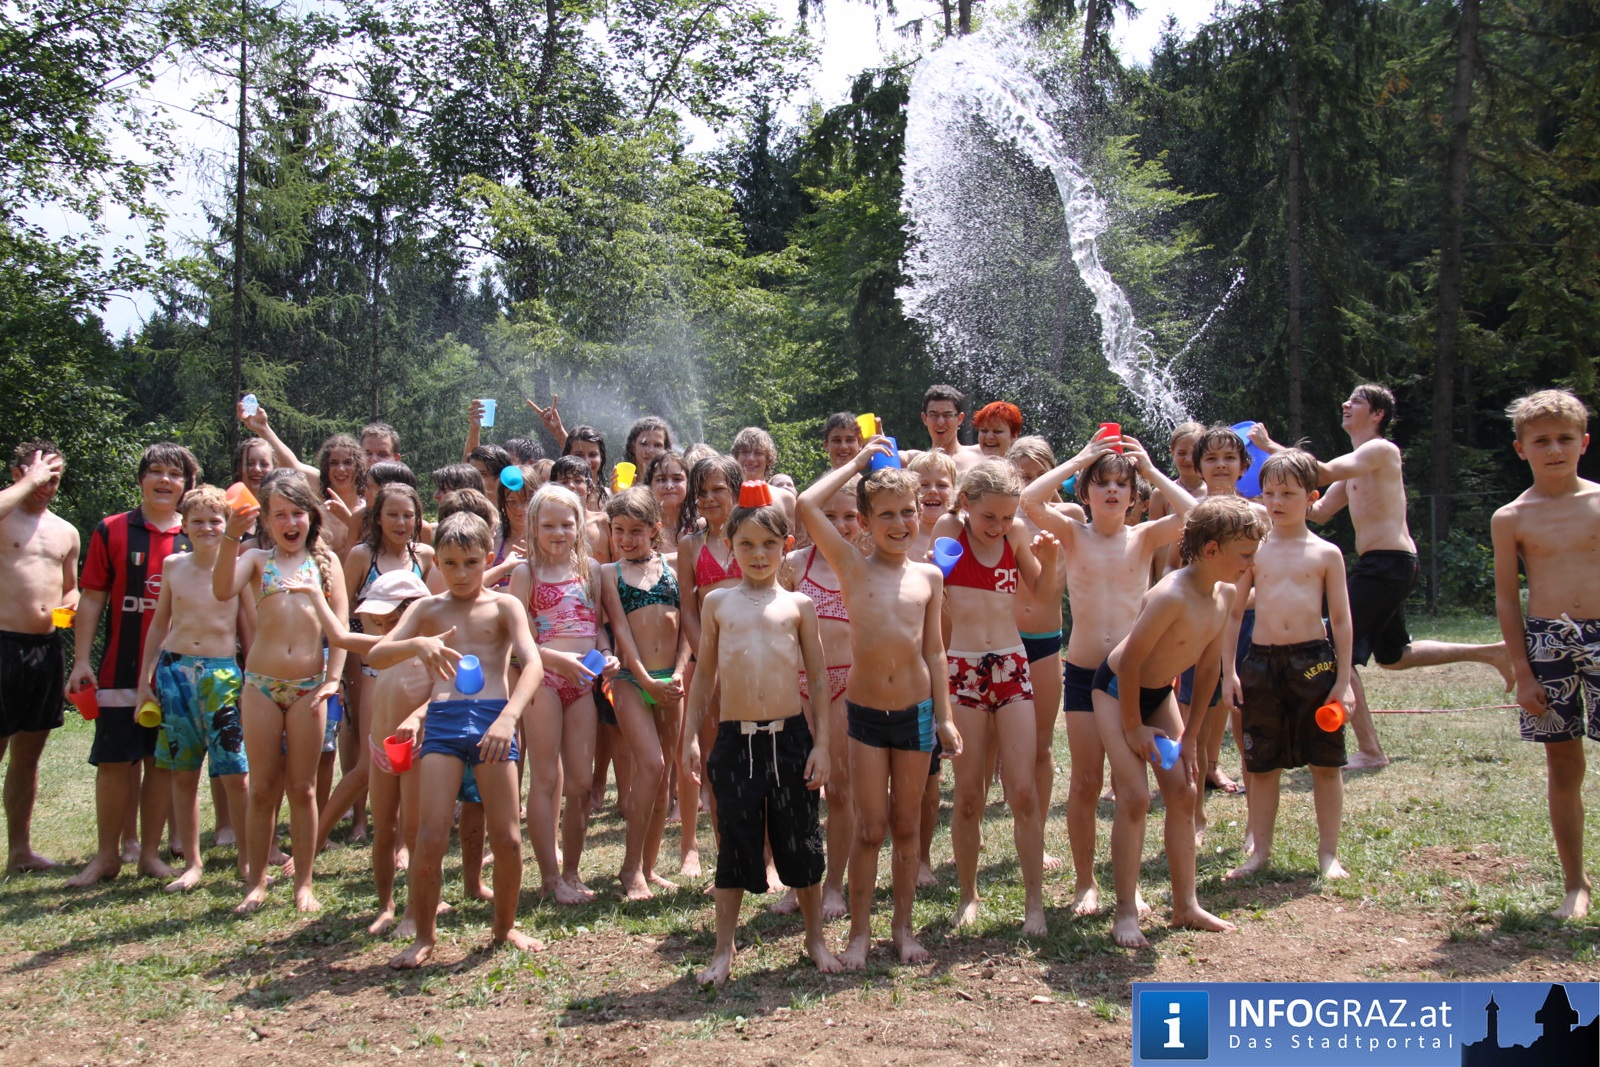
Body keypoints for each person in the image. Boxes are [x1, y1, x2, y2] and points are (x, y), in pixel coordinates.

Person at [1253, 384, 1512, 769]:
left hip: (1387, 563)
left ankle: (1371, 751)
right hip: (1386, 565)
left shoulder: (1381, 450)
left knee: (1334, 649)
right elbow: (1318, 510)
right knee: (1393, 656)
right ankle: (1492, 652)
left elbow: (1319, 473)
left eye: (1356, 400)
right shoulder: (1356, 464)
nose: (1345, 403)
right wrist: (1265, 503)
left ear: (1377, 414)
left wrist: (1270, 447)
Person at [801, 441, 963, 967]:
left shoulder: (930, 577)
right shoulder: (851, 565)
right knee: (871, 829)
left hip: (916, 715)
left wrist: (944, 718)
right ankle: (860, 934)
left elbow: (934, 651)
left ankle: (903, 930)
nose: (899, 523)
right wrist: (855, 464)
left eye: (907, 512)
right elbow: (806, 505)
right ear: (866, 522)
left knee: (907, 825)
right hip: (866, 717)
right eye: (886, 514)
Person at [1021, 428, 1196, 916]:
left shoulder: (1144, 537)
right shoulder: (1073, 534)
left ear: (1135, 497)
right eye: (1102, 484)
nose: (1113, 491)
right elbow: (1029, 498)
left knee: (1142, 786)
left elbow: (1195, 516)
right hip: (1082, 673)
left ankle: (1129, 883)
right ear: (1086, 492)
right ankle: (1085, 882)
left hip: (1134, 676)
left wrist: (1152, 470)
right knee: (1085, 782)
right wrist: (1081, 459)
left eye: (1122, 484)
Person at [368, 511, 546, 968]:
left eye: (470, 563)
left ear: (487, 558)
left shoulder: (505, 606)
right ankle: (424, 936)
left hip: (493, 721)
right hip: (444, 722)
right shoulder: (427, 609)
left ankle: (505, 927)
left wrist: (509, 717)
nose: (461, 574)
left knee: (507, 838)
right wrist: (417, 644)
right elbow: (377, 653)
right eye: (450, 564)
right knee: (429, 837)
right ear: (438, 563)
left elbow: (533, 664)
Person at [681, 485, 841, 986]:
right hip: (736, 742)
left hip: (790, 739)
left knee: (802, 842)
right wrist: (690, 737)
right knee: (734, 843)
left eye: (769, 544)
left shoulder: (798, 605)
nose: (757, 554)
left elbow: (818, 679)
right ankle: (722, 951)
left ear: (785, 546)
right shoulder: (718, 604)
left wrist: (822, 744)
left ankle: (815, 940)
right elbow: (704, 677)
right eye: (746, 544)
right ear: (730, 546)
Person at [1094, 495, 1266, 948]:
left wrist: (1191, 738)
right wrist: (1133, 728)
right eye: (1245, 554)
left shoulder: (1225, 593)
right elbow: (1129, 664)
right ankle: (1126, 912)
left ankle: (1185, 905)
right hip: (1115, 692)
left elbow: (1207, 669)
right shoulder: (1171, 595)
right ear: (1211, 550)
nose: (1251, 564)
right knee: (1134, 797)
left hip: (1157, 696)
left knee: (1185, 791)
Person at [930, 460, 1057, 936]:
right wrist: (931, 571)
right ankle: (968, 895)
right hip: (962, 667)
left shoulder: (1016, 535)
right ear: (966, 503)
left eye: (1007, 517)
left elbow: (1043, 594)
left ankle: (1034, 903)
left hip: (1010, 664)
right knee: (968, 796)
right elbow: (929, 589)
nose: (998, 526)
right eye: (989, 517)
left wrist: (1051, 560)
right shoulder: (949, 530)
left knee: (1022, 790)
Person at [213, 469, 348, 912]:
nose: (290, 523)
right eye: (279, 515)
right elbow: (221, 590)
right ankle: (256, 882)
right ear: (266, 522)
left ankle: (304, 883)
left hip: (309, 688)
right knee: (262, 788)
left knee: (303, 789)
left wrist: (333, 679)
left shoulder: (327, 564)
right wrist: (230, 537)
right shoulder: (256, 560)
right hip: (261, 686)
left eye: (297, 513)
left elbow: (341, 632)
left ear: (311, 516)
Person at [68, 442, 200, 887]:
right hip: (119, 668)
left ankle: (150, 855)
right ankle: (106, 857)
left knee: (160, 761)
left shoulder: (198, 533)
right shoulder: (111, 530)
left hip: (176, 670)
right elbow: (92, 599)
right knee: (113, 762)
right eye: (156, 471)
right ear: (141, 479)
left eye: (175, 474)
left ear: (187, 484)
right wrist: (81, 660)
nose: (165, 480)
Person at [1221, 449, 1353, 882]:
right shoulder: (1253, 551)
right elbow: (1233, 614)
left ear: (1311, 497)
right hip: (1261, 665)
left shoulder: (1327, 553)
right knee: (1262, 765)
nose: (1276, 502)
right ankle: (1259, 851)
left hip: (1313, 665)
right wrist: (1229, 670)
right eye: (1270, 493)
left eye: (1288, 494)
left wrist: (1343, 682)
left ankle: (1329, 855)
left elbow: (1341, 621)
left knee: (1326, 764)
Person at [1492, 389, 1599, 920]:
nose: (1554, 449)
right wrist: (1522, 668)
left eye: (1564, 438)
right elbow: (1507, 599)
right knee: (1563, 763)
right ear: (1521, 449)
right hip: (1546, 643)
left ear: (1584, 442)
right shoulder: (1511, 517)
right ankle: (1575, 883)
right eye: (1541, 441)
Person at [133, 485, 250, 892]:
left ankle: (247, 859)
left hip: (222, 676)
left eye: (215, 520)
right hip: (176, 673)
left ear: (228, 524)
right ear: (183, 526)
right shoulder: (173, 566)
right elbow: (159, 624)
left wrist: (251, 679)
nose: (207, 528)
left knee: (235, 772)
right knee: (183, 772)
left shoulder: (238, 569)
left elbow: (249, 630)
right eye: (197, 521)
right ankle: (193, 862)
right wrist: (145, 681)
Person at [315, 483, 440, 851]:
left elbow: (435, 613)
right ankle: (316, 839)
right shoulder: (361, 555)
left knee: (412, 758)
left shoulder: (426, 556)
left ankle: (401, 846)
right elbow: (343, 614)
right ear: (378, 518)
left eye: (408, 515)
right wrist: (341, 673)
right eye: (392, 515)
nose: (401, 522)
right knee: (369, 766)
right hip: (373, 667)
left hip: (415, 671)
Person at [507, 483, 613, 904]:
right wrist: (557, 661)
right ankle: (550, 878)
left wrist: (607, 653)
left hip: (583, 683)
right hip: (543, 682)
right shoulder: (526, 574)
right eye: (548, 525)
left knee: (582, 782)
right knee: (546, 777)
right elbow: (517, 641)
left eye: (566, 524)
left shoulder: (591, 570)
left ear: (579, 525)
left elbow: (597, 625)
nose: (558, 532)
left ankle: (571, 871)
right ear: (533, 526)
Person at [777, 472, 862, 920]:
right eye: (829, 516)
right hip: (799, 686)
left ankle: (833, 886)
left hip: (848, 686)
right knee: (796, 791)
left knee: (842, 790)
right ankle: (798, 885)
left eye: (850, 516)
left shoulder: (865, 565)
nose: (841, 525)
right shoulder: (793, 565)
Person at [600, 487, 689, 900]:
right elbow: (621, 632)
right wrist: (645, 679)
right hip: (631, 681)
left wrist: (679, 672)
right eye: (618, 530)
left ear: (655, 528)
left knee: (666, 777)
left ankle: (649, 868)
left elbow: (687, 624)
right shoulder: (609, 574)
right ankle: (630, 868)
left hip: (670, 681)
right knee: (651, 766)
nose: (626, 539)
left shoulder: (674, 567)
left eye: (635, 530)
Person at [0, 442, 78, 872]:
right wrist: (29, 481)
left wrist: (71, 605)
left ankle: (20, 852)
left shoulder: (66, 532)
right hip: (2, 644)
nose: (48, 485)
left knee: (28, 757)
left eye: (55, 478)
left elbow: (71, 586)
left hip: (45, 650)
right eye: (41, 476)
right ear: (18, 473)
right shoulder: (5, 513)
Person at [913, 384, 983, 476]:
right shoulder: (913, 461)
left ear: (960, 418)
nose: (940, 422)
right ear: (924, 418)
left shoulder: (982, 454)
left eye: (947, 415)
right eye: (934, 415)